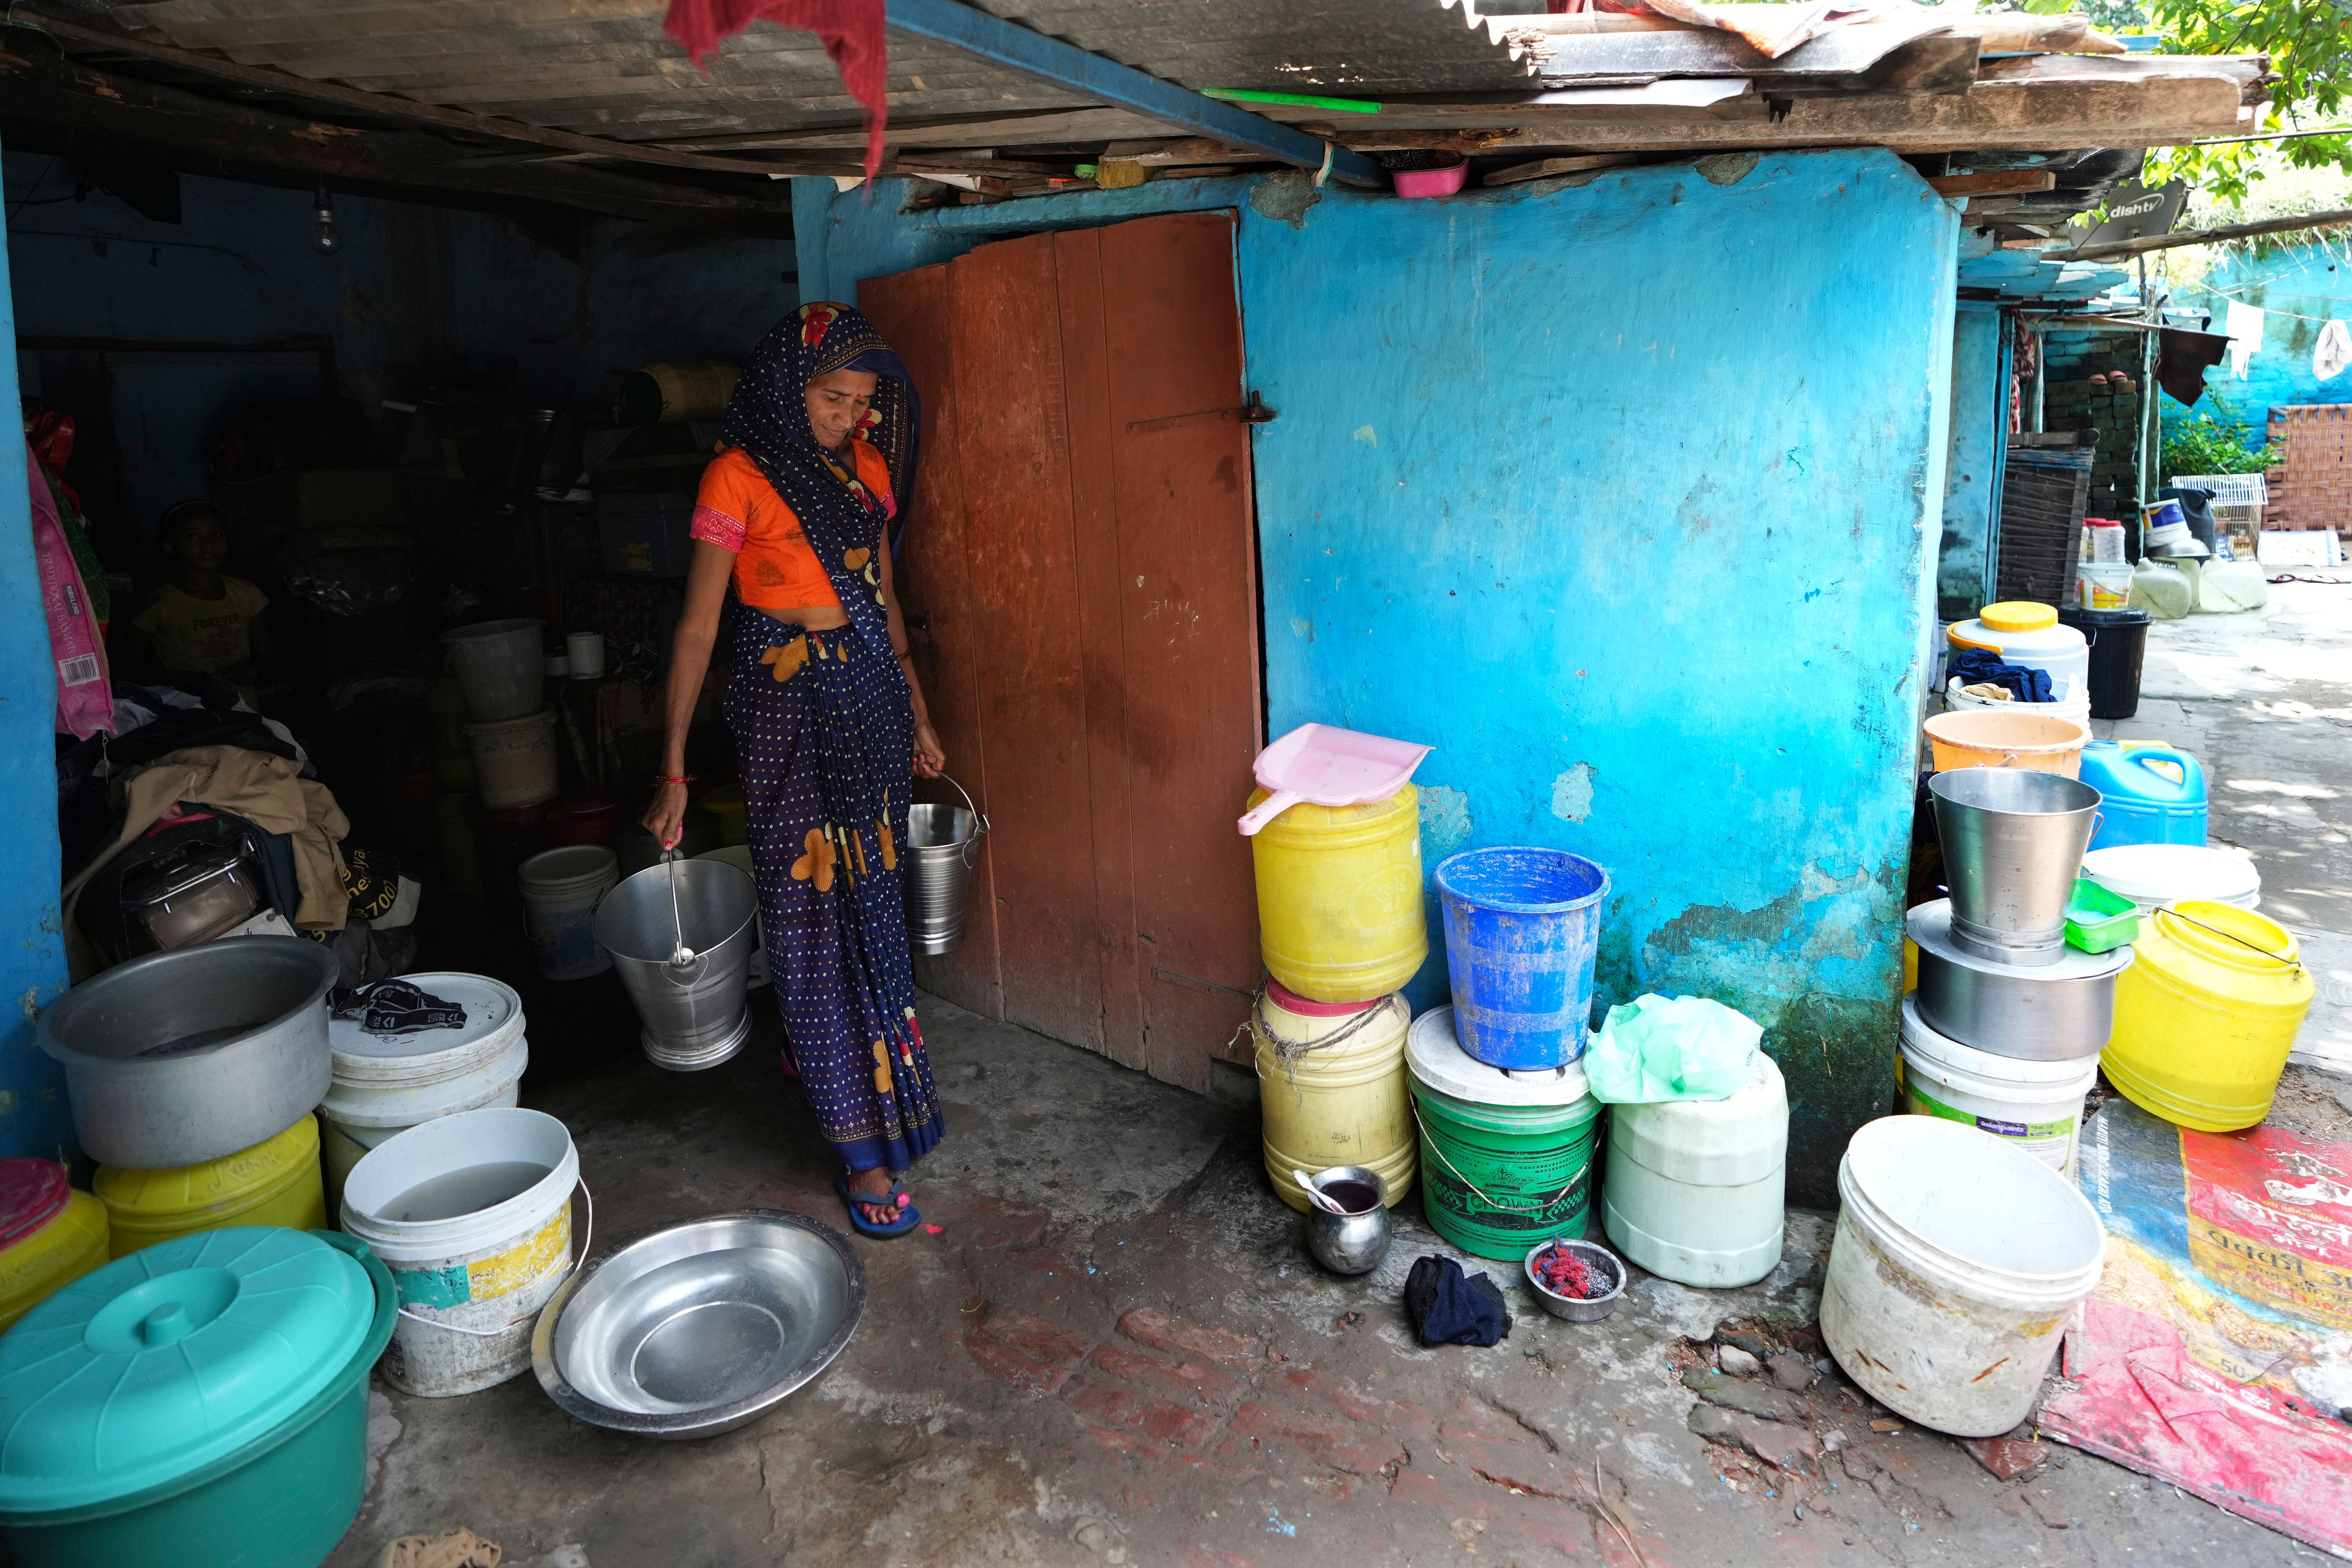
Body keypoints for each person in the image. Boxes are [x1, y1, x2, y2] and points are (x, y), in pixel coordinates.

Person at [643, 302, 947, 1237]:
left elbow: (885, 602)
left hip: (867, 701)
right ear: (787, 385)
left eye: (861, 402)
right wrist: (675, 769)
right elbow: (698, 627)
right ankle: (861, 1145)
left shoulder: (866, 470)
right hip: (783, 704)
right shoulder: (736, 477)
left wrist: (921, 713)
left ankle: (841, 1055)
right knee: (810, 905)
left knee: (873, 900)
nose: (848, 417)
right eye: (830, 396)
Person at [124, 501, 271, 706]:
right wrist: (183, 682)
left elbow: (266, 655)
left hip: (245, 711)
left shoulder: (247, 593)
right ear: (171, 547)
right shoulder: (156, 603)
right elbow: (131, 669)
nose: (208, 544)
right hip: (191, 716)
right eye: (192, 537)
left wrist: (255, 668)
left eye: (216, 534)